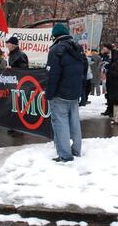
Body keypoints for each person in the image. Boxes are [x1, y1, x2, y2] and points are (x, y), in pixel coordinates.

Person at [46, 23, 86, 162]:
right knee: (74, 122)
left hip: (60, 94)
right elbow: (84, 72)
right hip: (74, 93)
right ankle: (76, 150)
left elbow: (52, 75)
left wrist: (49, 94)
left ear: (55, 36)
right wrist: (82, 92)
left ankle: (65, 154)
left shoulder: (56, 50)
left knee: (60, 123)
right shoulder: (78, 48)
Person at [106, 49, 118, 125]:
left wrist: (109, 71)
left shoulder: (117, 63)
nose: (110, 55)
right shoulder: (117, 62)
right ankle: (116, 118)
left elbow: (117, 74)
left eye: (111, 54)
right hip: (115, 86)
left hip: (116, 87)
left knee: (117, 103)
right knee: (115, 103)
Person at [100, 44, 113, 116]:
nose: (103, 49)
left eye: (104, 48)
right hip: (105, 76)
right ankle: (109, 109)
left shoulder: (111, 56)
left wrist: (105, 64)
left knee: (110, 94)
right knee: (107, 93)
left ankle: (111, 110)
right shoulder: (104, 55)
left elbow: (109, 65)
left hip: (110, 77)